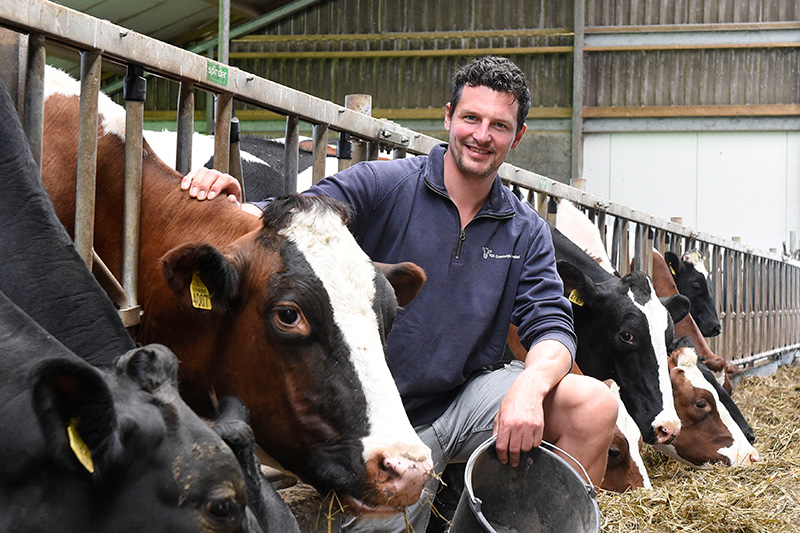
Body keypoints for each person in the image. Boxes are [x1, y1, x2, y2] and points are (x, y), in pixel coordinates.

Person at [182, 55, 617, 532]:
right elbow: (299, 218)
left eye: (499, 125)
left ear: (517, 137)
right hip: (378, 418)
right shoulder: (385, 185)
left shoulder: (525, 230)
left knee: (592, 406)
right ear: (448, 116)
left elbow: (552, 325)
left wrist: (530, 391)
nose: (481, 135)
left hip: (465, 397)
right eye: (471, 118)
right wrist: (237, 202)